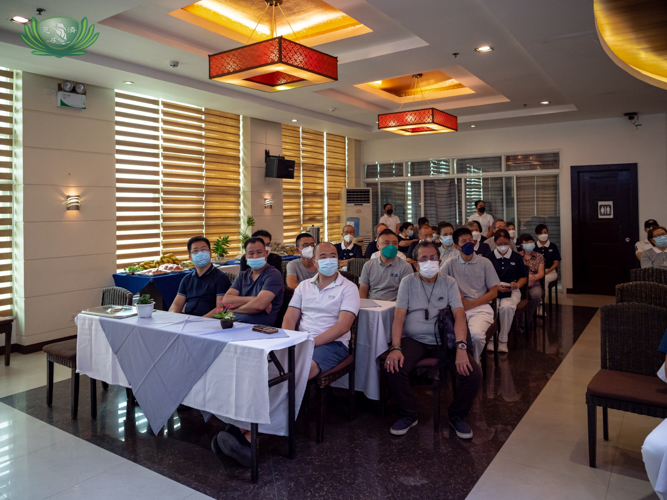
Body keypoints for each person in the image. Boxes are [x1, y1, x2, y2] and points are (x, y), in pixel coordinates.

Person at [384, 240, 482, 439]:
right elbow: (399, 317)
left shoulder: (449, 282)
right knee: (393, 366)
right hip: (415, 339)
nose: (429, 262)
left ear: (439, 260)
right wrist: (395, 347)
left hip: (444, 340)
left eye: (433, 258)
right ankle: (409, 414)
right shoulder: (408, 282)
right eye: (423, 259)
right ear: (416, 263)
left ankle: (457, 415)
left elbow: (459, 316)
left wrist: (461, 348)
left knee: (473, 374)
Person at [283, 242, 360, 380]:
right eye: (323, 257)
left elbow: (343, 326)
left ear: (338, 260)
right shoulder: (303, 286)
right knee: (272, 366)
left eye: (332, 256)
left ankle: (287, 402)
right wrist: (290, 340)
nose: (328, 260)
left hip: (333, 344)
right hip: (301, 339)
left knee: (299, 370)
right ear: (315, 262)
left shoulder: (349, 288)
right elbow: (289, 317)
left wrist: (310, 342)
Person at [441, 227, 500, 363]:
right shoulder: (450, 263)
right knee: (444, 334)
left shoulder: (485, 263)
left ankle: (474, 363)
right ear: (456, 246)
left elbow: (493, 292)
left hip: (480, 307)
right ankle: (455, 364)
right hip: (456, 309)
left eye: (470, 240)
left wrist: (472, 304)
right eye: (464, 241)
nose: (469, 243)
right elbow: (440, 282)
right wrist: (456, 293)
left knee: (477, 336)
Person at [222, 237, 284, 325]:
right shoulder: (243, 275)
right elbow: (226, 301)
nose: (255, 256)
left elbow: (259, 306)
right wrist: (254, 298)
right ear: (245, 257)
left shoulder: (273, 275)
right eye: (251, 253)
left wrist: (233, 309)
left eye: (259, 252)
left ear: (266, 253)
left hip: (259, 329)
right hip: (234, 325)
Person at [485, 229, 528, 353]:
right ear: (495, 242)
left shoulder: (516, 257)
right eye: (500, 244)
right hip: (494, 290)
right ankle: (492, 339)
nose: (503, 246)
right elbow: (485, 278)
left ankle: (503, 341)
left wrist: (517, 285)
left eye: (506, 243)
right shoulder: (489, 258)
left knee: (507, 308)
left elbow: (523, 277)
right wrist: (495, 287)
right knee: (494, 307)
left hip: (512, 290)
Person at [169, 236, 232, 317]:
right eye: (195, 250)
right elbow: (176, 305)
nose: (200, 253)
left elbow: (220, 308)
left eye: (204, 249)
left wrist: (199, 322)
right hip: (188, 321)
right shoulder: (187, 279)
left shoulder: (221, 278)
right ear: (190, 257)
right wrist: (172, 317)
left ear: (210, 253)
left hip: (210, 323)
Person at [360, 229, 414, 301]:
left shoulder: (405, 267)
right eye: (387, 243)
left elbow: (407, 294)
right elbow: (362, 292)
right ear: (378, 246)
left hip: (394, 306)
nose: (391, 246)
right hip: (372, 305)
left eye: (395, 243)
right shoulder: (368, 265)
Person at [518, 234, 545, 331]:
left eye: (531, 242)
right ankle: (518, 321)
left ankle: (525, 321)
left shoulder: (539, 256)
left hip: (534, 284)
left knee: (536, 295)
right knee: (517, 297)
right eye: (527, 242)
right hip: (521, 284)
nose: (530, 244)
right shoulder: (517, 256)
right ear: (521, 245)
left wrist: (532, 277)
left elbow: (541, 273)